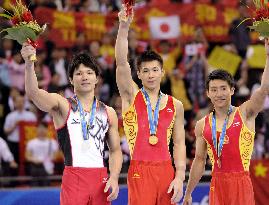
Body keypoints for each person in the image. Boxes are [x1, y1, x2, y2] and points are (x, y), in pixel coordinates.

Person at [21, 44, 122, 205]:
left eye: (89, 73)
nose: (85, 77)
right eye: (79, 73)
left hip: (100, 180)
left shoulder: (108, 112)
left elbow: (115, 150)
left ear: (97, 78)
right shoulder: (62, 105)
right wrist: (28, 63)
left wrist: (115, 177)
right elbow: (34, 93)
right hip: (74, 178)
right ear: (70, 79)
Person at [183, 40, 269, 205]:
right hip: (217, 184)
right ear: (208, 93)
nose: (219, 94)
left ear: (232, 90)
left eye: (223, 88)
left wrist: (268, 55)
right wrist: (188, 193)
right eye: (214, 90)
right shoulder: (202, 124)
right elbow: (199, 160)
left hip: (240, 183)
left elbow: (264, 89)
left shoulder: (245, 113)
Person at [115, 6, 186, 205]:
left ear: (163, 72)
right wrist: (123, 27)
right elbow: (121, 62)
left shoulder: (176, 105)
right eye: (146, 71)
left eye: (155, 70)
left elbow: (179, 143)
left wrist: (180, 176)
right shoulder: (131, 96)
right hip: (140, 169)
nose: (151, 74)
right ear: (139, 74)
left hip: (166, 169)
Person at [25, 121, 59, 186]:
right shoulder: (31, 143)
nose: (41, 130)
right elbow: (27, 156)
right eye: (40, 128)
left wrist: (46, 160)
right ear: (36, 129)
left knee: (45, 183)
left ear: (47, 130)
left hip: (46, 167)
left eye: (43, 128)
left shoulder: (52, 142)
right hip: (35, 166)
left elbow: (55, 156)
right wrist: (34, 160)